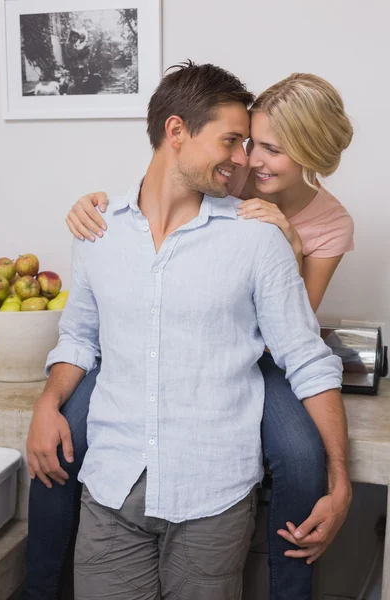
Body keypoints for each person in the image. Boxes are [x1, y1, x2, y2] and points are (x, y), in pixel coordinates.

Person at [21, 66, 352, 600]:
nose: (247, 159)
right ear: (177, 131)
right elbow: (81, 332)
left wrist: (284, 243)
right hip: (116, 475)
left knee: (300, 455)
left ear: (308, 159)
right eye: (242, 141)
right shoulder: (111, 227)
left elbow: (299, 346)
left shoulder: (266, 230)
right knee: (59, 437)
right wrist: (47, 402)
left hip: (243, 397)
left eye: (264, 148)